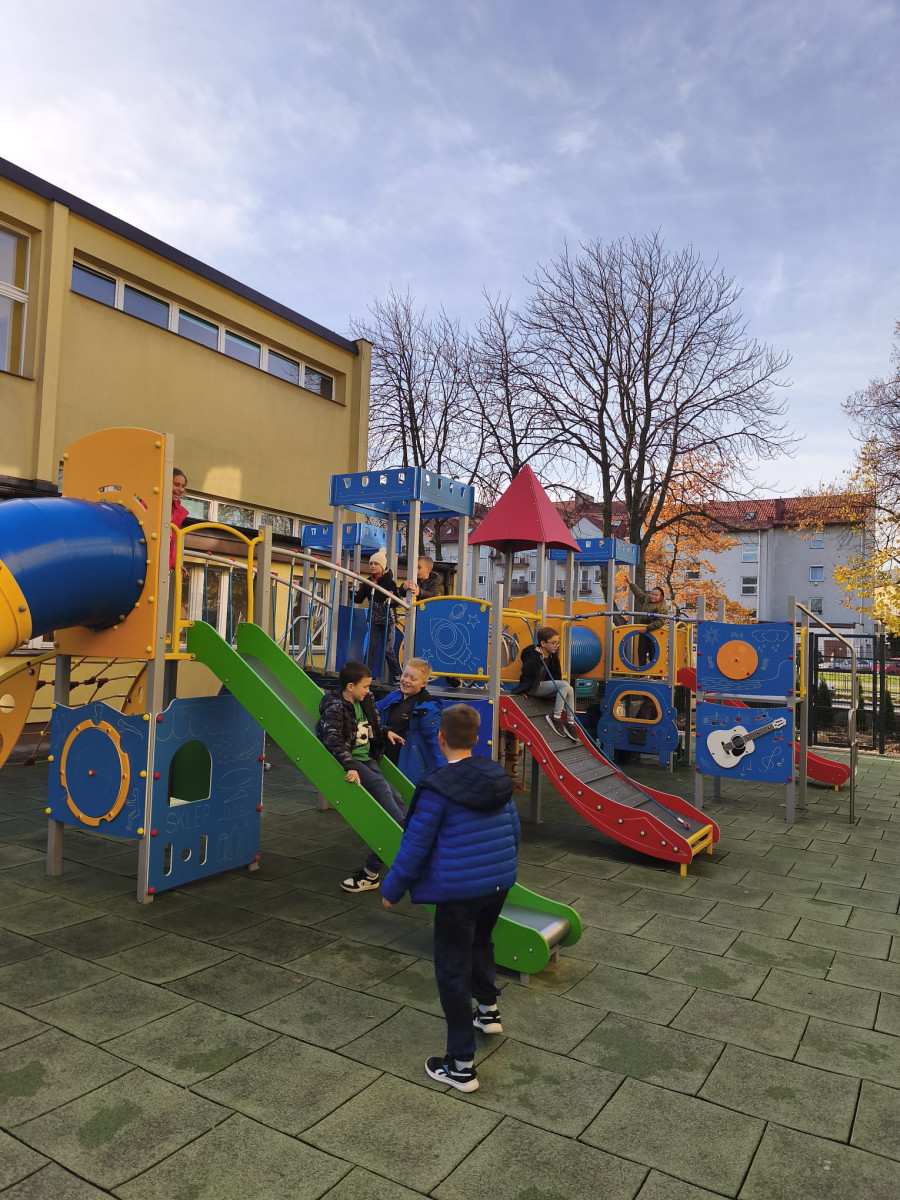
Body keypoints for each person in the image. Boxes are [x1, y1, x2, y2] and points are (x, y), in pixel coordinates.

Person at [381, 704, 520, 1093]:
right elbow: (514, 829)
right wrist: (502, 869)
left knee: (452, 969)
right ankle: (488, 1011)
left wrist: (392, 888)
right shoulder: (496, 776)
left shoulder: (437, 787)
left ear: (440, 738)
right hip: (498, 882)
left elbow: (415, 843)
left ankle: (460, 1066)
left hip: (459, 892)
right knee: (482, 942)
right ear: (476, 738)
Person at [316, 660, 406, 892]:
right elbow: (333, 739)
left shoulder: (364, 701)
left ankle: (406, 824)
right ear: (350, 686)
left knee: (394, 793)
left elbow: (370, 725)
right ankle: (400, 829)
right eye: (364, 686)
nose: (368, 690)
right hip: (353, 759)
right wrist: (349, 765)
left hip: (367, 758)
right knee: (381, 788)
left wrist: (386, 733)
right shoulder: (336, 708)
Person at [375, 657, 445, 778]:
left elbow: (435, 741)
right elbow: (374, 710)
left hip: (405, 767)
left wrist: (444, 771)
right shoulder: (393, 696)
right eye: (405, 675)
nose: (406, 680)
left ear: (424, 684)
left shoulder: (426, 709)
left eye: (413, 679)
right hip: (384, 758)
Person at [512, 626, 578, 740]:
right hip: (532, 687)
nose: (556, 646)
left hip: (544, 688)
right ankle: (556, 717)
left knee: (569, 688)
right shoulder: (532, 653)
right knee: (564, 685)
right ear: (543, 643)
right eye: (553, 643)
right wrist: (538, 657)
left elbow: (556, 677)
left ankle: (570, 722)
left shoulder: (553, 657)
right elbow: (528, 671)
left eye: (558, 643)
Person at [353, 548, 402, 679]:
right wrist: (353, 594)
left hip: (388, 619)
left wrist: (391, 600)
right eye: (371, 563)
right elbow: (359, 599)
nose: (373, 566)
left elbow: (397, 600)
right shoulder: (368, 582)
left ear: (382, 566)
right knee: (371, 646)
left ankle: (396, 674)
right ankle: (366, 673)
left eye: (376, 564)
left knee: (388, 649)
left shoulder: (389, 581)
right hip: (374, 618)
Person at [627, 580, 668, 667]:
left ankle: (655, 673)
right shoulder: (647, 600)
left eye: (656, 595)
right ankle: (642, 671)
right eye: (652, 594)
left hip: (654, 632)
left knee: (653, 653)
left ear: (661, 597)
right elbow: (639, 594)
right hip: (643, 631)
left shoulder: (662, 607)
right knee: (641, 652)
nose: (653, 596)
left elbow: (660, 621)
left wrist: (647, 628)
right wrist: (631, 584)